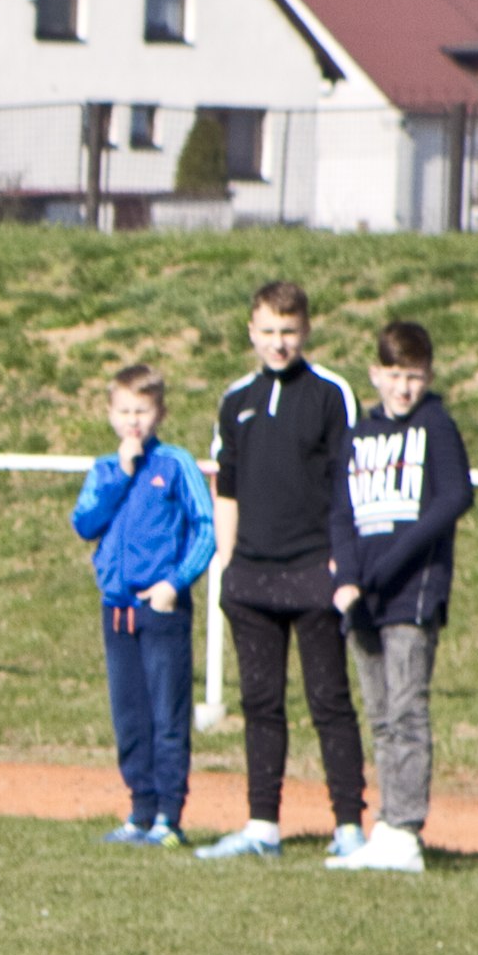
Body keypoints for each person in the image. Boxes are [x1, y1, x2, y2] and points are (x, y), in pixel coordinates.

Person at [196, 280, 367, 861]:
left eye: (288, 332)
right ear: (251, 331)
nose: (278, 343)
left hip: (314, 570)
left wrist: (341, 563)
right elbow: (229, 484)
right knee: (260, 703)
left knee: (329, 701)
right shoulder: (235, 398)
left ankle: (349, 827)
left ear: (306, 332)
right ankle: (261, 826)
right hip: (252, 577)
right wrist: (227, 562)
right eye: (268, 331)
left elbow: (351, 480)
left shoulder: (330, 394)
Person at [327, 320, 474, 874]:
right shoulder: (360, 433)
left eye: (413, 376)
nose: (403, 388)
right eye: (393, 375)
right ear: (375, 374)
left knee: (408, 707)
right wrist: (345, 575)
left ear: (429, 376)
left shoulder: (436, 426)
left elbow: (454, 496)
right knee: (381, 712)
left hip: (410, 591)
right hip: (360, 595)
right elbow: (340, 508)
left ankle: (406, 828)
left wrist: (386, 567)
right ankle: (386, 824)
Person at [71, 363, 217, 848]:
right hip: (116, 608)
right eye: (125, 411)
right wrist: (122, 473)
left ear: (160, 413)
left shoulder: (175, 464)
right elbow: (85, 522)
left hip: (162, 609)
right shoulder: (105, 469)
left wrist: (175, 583)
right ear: (111, 415)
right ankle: (139, 810)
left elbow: (206, 527)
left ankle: (168, 819)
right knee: (129, 716)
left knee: (166, 715)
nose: (134, 420)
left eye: (143, 410)